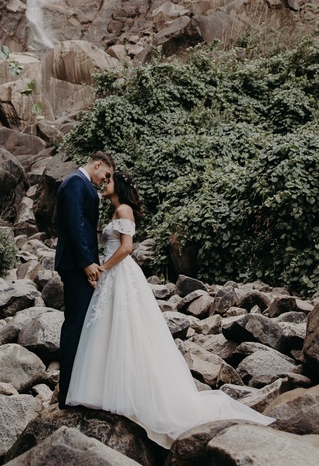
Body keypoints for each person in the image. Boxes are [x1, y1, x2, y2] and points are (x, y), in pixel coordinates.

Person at [66, 170, 275, 447]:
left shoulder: (124, 209)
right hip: (114, 277)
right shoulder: (118, 210)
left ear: (121, 187)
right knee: (112, 329)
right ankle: (108, 388)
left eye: (110, 181)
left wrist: (103, 268)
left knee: (126, 330)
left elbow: (127, 248)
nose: (105, 184)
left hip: (119, 274)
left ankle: (127, 392)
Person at [54, 150, 115, 409]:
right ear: (98, 163)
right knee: (76, 325)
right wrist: (87, 263)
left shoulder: (80, 184)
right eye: (106, 174)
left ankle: (76, 387)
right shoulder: (75, 183)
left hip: (80, 264)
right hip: (76, 265)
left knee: (82, 324)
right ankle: (68, 393)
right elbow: (76, 225)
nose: (105, 180)